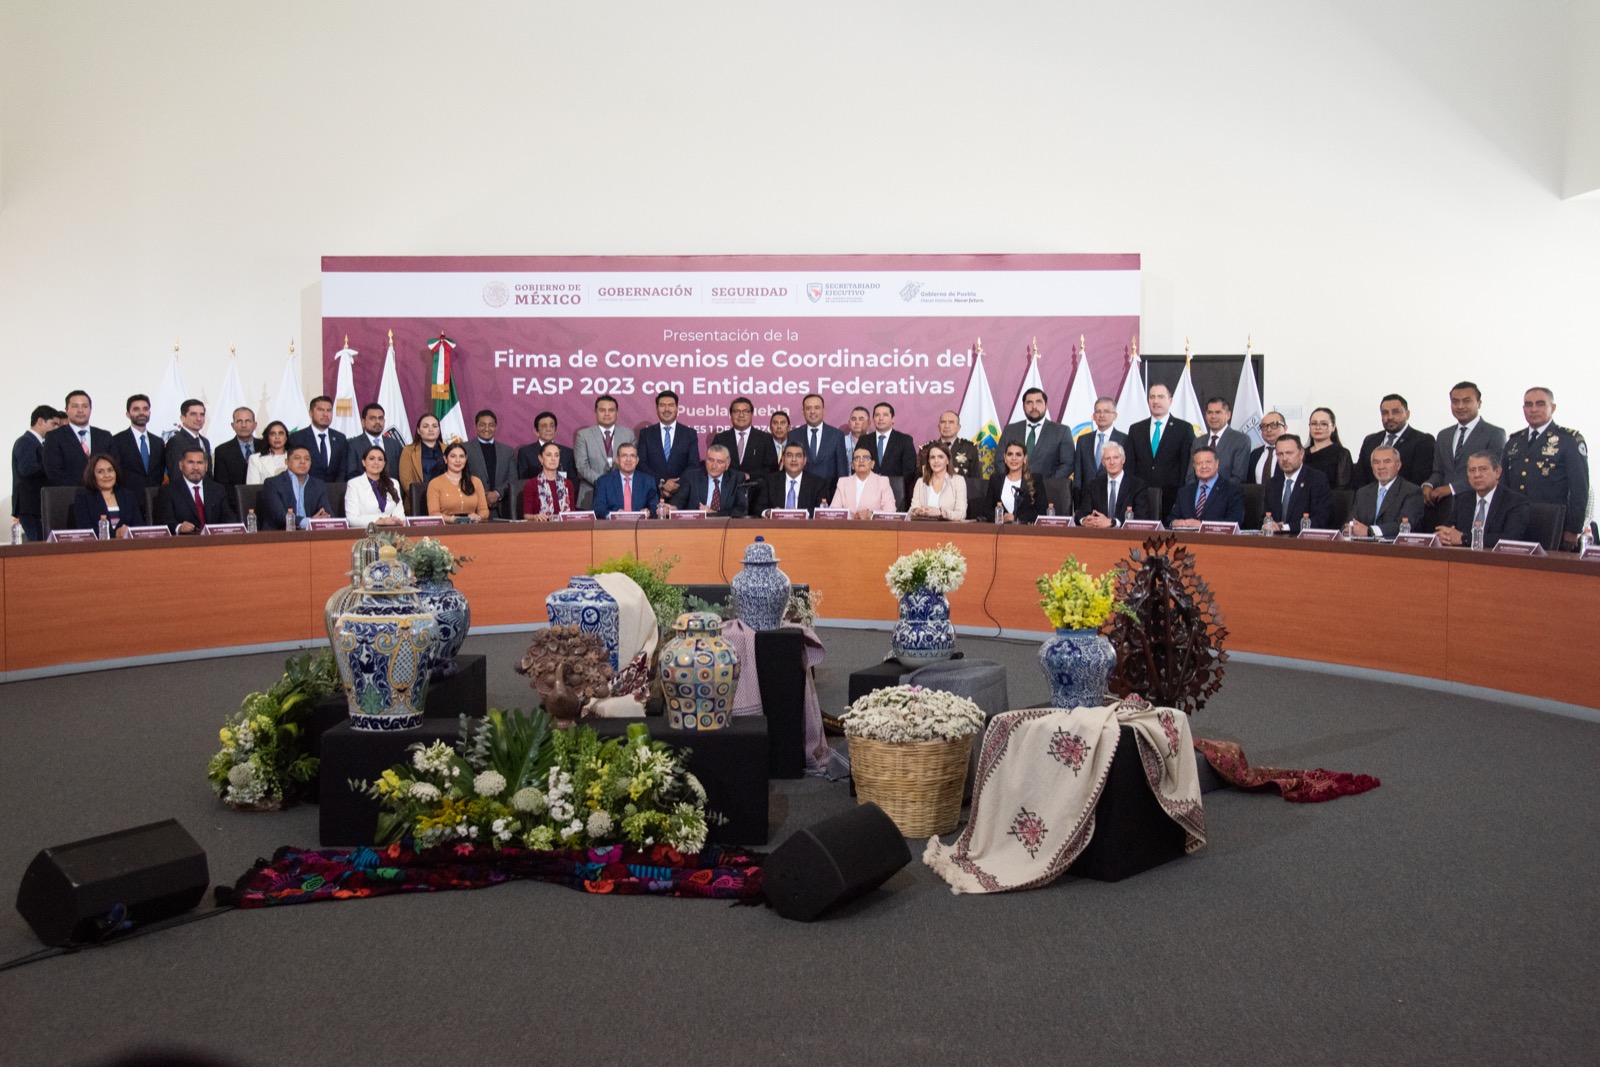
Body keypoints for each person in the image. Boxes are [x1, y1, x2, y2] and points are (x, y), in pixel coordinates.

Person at [1501, 387, 1589, 550]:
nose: (1533, 409)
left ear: (1552, 408)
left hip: (1553, 524)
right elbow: (1504, 485)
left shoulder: (1568, 440)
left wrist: (1574, 528)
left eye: (1540, 404)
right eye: (1528, 405)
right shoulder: (1514, 441)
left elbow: (1579, 488)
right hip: (1515, 523)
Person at [1422, 381, 1506, 532]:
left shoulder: (1494, 433)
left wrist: (1451, 488)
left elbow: (1491, 475)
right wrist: (1428, 485)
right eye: (1455, 402)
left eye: (1466, 401)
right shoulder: (1443, 435)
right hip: (1442, 508)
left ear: (1479, 403)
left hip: (1475, 507)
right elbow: (1438, 472)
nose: (1460, 406)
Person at [1125, 382, 1196, 518]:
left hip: (1172, 498)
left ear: (1170, 400)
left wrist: (1182, 497)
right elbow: (1130, 466)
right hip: (1140, 498)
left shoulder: (1184, 428)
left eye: (1160, 397)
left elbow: (1185, 466)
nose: (1156, 401)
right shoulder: (1136, 429)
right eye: (1152, 397)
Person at [1436, 450, 1531, 549]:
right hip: (1463, 556)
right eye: (1472, 470)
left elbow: (1511, 539)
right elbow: (1448, 530)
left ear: (1498, 472)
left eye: (1483, 469)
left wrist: (1465, 539)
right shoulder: (1462, 500)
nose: (1477, 475)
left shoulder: (1516, 502)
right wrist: (1443, 535)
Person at [1354, 394, 1436, 490]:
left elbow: (1418, 480)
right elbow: (1359, 477)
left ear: (1407, 414)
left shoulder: (1423, 441)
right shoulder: (1370, 441)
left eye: (1395, 412)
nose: (1390, 417)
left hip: (1406, 497)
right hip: (1369, 497)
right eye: (1385, 413)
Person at [1346, 445, 1424, 539]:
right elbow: (1350, 522)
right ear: (1371, 466)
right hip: (1362, 545)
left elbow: (1403, 526)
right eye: (1376, 462)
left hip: (1394, 546)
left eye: (1387, 462)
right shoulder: (1363, 492)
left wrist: (1369, 531)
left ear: (1398, 465)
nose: (1381, 467)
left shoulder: (1412, 492)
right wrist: (1349, 529)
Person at [154, 445, 236, 534]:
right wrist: (179, 527)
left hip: (214, 540)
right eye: (190, 462)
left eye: (200, 463)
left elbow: (229, 518)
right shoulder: (168, 491)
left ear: (206, 466)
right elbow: (164, 521)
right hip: (184, 540)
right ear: (181, 465)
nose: (196, 468)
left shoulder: (218, 490)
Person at [43, 390, 115, 487]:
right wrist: (85, 488)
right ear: (66, 410)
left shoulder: (105, 436)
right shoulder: (54, 437)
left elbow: (115, 466)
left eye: (85, 406)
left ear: (91, 409)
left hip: (103, 492)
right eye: (75, 406)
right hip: (71, 493)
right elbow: (54, 473)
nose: (80, 410)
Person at [636, 390, 699, 500]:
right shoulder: (646, 434)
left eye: (670, 405)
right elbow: (641, 464)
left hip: (682, 495)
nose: (666, 409)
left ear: (677, 408)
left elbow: (693, 464)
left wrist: (675, 485)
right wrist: (662, 482)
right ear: (656, 409)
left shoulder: (689, 434)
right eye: (662, 405)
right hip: (653, 494)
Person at [1262, 434, 1333, 531]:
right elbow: (1264, 516)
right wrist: (1266, 525)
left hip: (1303, 538)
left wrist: (1285, 527)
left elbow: (1320, 519)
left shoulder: (1317, 480)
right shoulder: (1273, 483)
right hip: (1274, 538)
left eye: (1289, 453)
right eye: (1280, 454)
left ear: (1301, 454)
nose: (1284, 458)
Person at [574, 394, 635, 503]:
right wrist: (604, 483)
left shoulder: (628, 434)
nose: (607, 414)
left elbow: (632, 464)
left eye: (611, 410)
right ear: (596, 412)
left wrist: (617, 483)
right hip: (591, 493)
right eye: (602, 410)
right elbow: (582, 466)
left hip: (621, 493)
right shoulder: (583, 435)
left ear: (617, 413)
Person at [1075, 441, 1151, 527]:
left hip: (1126, 534)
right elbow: (1082, 513)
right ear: (1103, 463)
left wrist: (1112, 522)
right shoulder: (1094, 485)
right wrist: (1085, 521)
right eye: (1108, 458)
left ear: (1123, 459)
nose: (1112, 462)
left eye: (1116, 458)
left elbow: (1141, 518)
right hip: (1099, 533)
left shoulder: (1137, 485)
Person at [999, 387, 1069, 478]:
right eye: (1029, 403)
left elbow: (1067, 465)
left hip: (1048, 486)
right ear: (1023, 407)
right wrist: (1013, 480)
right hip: (1013, 485)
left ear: (1046, 405)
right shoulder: (1009, 430)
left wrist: (1046, 484)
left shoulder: (1061, 431)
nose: (1034, 407)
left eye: (1038, 402)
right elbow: (999, 461)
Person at [258, 445, 332, 530]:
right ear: (286, 462)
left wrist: (325, 517)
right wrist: (309, 521)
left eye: (307, 459)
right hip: (281, 533)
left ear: (310, 463)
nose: (302, 462)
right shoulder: (272, 483)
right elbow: (280, 516)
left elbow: (327, 512)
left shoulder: (318, 485)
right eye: (297, 458)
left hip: (311, 533)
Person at [1167, 446, 1244, 528]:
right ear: (1194, 466)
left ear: (1217, 463)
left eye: (1208, 462)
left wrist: (1202, 525)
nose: (1204, 466)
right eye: (1199, 463)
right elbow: (1170, 519)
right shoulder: (1184, 492)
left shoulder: (1232, 491)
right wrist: (1175, 523)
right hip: (1186, 536)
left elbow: (1235, 521)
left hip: (1216, 536)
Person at [12, 404, 57, 541]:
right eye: (53, 424)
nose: (55, 428)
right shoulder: (26, 441)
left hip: (35, 505)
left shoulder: (36, 442)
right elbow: (27, 469)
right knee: (37, 543)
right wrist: (52, 467)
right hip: (29, 505)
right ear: (40, 421)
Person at [71, 454, 145, 536]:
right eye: (100, 472)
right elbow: (85, 530)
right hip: (98, 544)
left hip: (128, 543)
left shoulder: (128, 496)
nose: (107, 475)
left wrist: (127, 532)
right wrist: (115, 534)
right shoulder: (84, 499)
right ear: (92, 475)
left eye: (110, 470)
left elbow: (139, 526)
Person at [666, 444, 748, 517]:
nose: (714, 466)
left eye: (719, 462)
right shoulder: (691, 477)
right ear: (705, 460)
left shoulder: (737, 478)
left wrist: (714, 513)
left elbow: (741, 510)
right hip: (697, 526)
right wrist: (673, 508)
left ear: (727, 464)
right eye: (711, 460)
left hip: (726, 525)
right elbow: (679, 500)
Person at [711, 397, 778, 482]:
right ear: (730, 414)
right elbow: (713, 465)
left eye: (745, 411)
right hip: (727, 487)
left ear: (751, 414)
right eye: (736, 412)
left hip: (756, 488)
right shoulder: (721, 439)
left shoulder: (765, 439)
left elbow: (772, 469)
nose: (741, 415)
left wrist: (750, 476)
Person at [1070, 397, 1128, 494]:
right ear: (1093, 416)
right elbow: (1078, 474)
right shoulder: (1083, 440)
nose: (1101, 415)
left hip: (1113, 496)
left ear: (1115, 415)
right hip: (1086, 497)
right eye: (1098, 412)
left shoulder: (1125, 440)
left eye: (1106, 411)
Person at [111, 394, 167, 494]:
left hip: (156, 497)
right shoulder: (117, 441)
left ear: (149, 413)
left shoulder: (158, 442)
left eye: (145, 409)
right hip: (128, 497)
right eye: (136, 409)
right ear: (128, 414)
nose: (141, 413)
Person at [464, 408, 514, 518]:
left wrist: (497, 493)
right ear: (476, 426)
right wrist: (480, 495)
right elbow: (461, 476)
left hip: (501, 510)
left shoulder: (507, 451)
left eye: (491, 425)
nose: (487, 429)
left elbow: (513, 479)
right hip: (472, 509)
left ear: (495, 427)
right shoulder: (464, 448)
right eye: (482, 425)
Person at [1189, 397, 1250, 485]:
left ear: (1228, 415)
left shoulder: (1240, 440)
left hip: (1227, 492)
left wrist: (1212, 491)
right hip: (1199, 493)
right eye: (1209, 412)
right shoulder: (1198, 442)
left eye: (1218, 412)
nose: (1213, 416)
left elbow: (1238, 477)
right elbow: (1190, 476)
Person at [591, 442, 659, 519]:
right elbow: (598, 508)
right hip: (613, 524)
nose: (628, 460)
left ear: (637, 460)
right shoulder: (603, 482)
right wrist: (613, 514)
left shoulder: (648, 481)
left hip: (641, 524)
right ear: (617, 459)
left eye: (632, 456)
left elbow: (654, 505)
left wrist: (648, 512)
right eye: (624, 456)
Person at [756, 442, 827, 515]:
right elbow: (759, 508)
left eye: (798, 456)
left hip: (805, 522)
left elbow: (820, 511)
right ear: (783, 459)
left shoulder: (818, 484)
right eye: (789, 455)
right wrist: (769, 512)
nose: (794, 459)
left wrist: (799, 513)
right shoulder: (769, 481)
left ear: (804, 460)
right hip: (777, 522)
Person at [288, 396, 347, 484]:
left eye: (329, 410)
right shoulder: (297, 438)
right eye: (321, 410)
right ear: (311, 413)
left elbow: (343, 468)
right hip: (306, 488)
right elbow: (294, 468)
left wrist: (336, 487)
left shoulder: (340, 438)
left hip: (334, 489)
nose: (325, 414)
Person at [984, 441, 1046, 524]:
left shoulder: (1035, 480)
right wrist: (1001, 517)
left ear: (1025, 458)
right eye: (1010, 454)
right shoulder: (995, 480)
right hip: (1000, 529)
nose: (1013, 458)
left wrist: (1017, 518)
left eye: (1018, 455)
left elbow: (1042, 511)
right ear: (1005, 457)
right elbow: (987, 510)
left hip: (1025, 529)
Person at [427, 441, 490, 522]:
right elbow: (433, 513)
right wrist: (453, 519)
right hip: (446, 526)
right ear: (445, 459)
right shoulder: (435, 483)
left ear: (466, 459)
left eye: (461, 456)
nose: (458, 460)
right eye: (453, 456)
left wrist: (478, 517)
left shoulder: (476, 482)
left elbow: (484, 510)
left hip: (472, 525)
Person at [344, 444, 406, 526]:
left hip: (391, 530)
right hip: (365, 531)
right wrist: (380, 521)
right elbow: (351, 519)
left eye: (380, 459)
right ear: (363, 462)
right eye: (371, 459)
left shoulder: (394, 483)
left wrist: (395, 521)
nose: (376, 462)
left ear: (384, 463)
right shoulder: (354, 484)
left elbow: (400, 515)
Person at [799, 393, 850, 487]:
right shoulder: (793, 435)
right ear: (803, 412)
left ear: (823, 410)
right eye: (808, 408)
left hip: (829, 492)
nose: (812, 411)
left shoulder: (837, 435)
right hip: (802, 492)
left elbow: (842, 470)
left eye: (817, 408)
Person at [832, 445, 897, 518]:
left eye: (866, 458)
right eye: (857, 458)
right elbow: (833, 512)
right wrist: (848, 515)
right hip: (847, 524)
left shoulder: (882, 482)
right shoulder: (842, 482)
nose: (861, 460)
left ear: (872, 464)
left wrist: (871, 514)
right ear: (852, 465)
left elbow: (891, 511)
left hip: (872, 525)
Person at [909, 442, 969, 520]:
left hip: (948, 527)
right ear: (928, 461)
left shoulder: (958, 481)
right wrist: (917, 511)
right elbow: (911, 511)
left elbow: (961, 514)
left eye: (940, 457)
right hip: (924, 526)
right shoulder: (920, 482)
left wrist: (940, 512)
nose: (936, 461)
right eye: (932, 457)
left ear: (947, 460)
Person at [514, 410, 576, 485]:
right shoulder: (525, 452)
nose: (549, 429)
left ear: (556, 430)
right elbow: (522, 481)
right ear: (536, 431)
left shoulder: (568, 453)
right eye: (544, 426)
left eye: (552, 426)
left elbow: (573, 481)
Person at [398, 413, 447, 505]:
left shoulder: (449, 450)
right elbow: (406, 480)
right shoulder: (408, 451)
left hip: (446, 501)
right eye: (426, 426)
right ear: (418, 430)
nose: (431, 430)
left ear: (439, 430)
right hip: (418, 502)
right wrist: (422, 499)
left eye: (434, 426)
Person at [919, 410, 983, 480]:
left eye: (951, 422)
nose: (946, 426)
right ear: (939, 427)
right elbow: (920, 479)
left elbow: (977, 481)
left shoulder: (970, 449)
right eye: (943, 422)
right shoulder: (926, 449)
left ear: (958, 428)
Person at [866, 402, 919, 486]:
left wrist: (895, 486)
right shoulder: (864, 441)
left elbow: (909, 471)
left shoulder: (905, 440)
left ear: (893, 419)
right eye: (877, 415)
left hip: (896, 490)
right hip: (869, 490)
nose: (881, 418)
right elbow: (857, 467)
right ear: (873, 419)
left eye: (885, 415)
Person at [344, 403, 401, 480]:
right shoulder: (353, 445)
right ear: (363, 422)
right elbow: (352, 474)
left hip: (391, 486)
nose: (377, 422)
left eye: (380, 418)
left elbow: (400, 473)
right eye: (372, 418)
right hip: (363, 487)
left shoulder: (394, 444)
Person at [522, 441, 577, 520]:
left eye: (556, 455)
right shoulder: (531, 484)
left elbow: (572, 513)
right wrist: (535, 517)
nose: (553, 459)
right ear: (541, 459)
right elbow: (527, 515)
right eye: (549, 455)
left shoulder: (567, 484)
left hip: (565, 526)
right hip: (541, 526)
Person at [1302, 407, 1354, 490]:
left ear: (1333, 427)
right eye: (1314, 423)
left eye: (1323, 424)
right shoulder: (1302, 454)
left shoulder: (1342, 454)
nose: (1318, 427)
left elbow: (1343, 490)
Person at [163, 398, 212, 482]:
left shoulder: (205, 441)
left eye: (202, 414)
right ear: (182, 418)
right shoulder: (175, 442)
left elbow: (208, 473)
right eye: (193, 414)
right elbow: (176, 475)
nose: (199, 419)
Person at [212, 407, 259, 488]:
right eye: (239, 421)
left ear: (255, 425)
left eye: (248, 421)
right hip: (234, 495)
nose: (244, 425)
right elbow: (221, 485)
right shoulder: (222, 451)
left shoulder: (266, 446)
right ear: (233, 425)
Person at [1248, 411, 1288, 484]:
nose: (1268, 430)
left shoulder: (1291, 453)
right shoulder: (1255, 454)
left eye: (1274, 425)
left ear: (1285, 428)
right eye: (1264, 426)